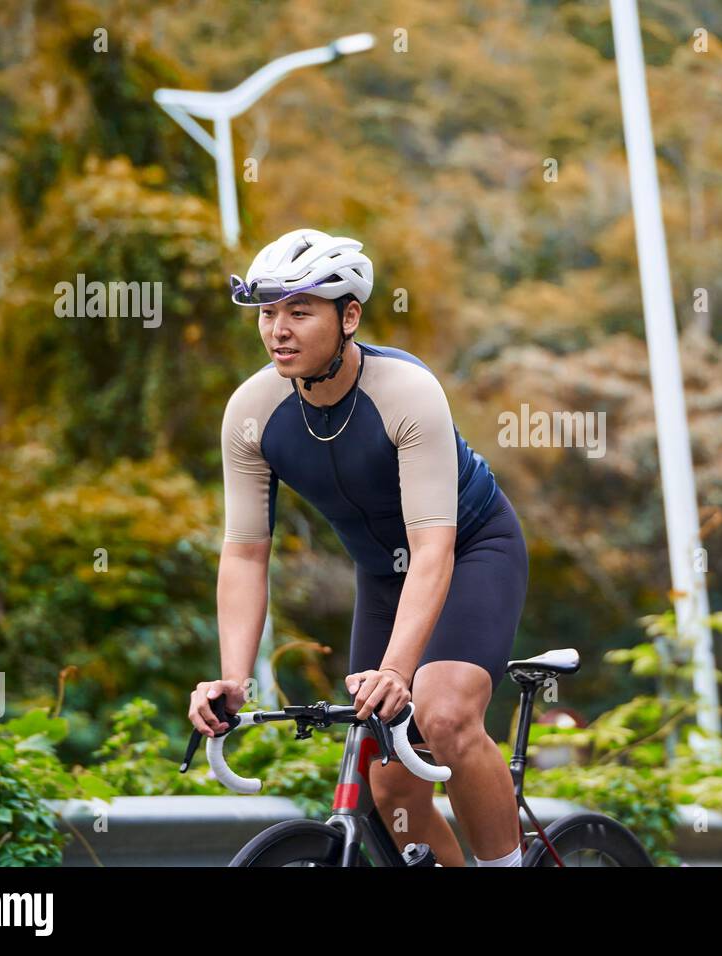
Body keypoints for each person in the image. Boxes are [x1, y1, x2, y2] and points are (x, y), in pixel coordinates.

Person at [187, 228, 529, 867]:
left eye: (299, 310)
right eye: (268, 312)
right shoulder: (252, 412)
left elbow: (434, 548)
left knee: (444, 713)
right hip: (383, 575)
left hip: (472, 547)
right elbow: (243, 554)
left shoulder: (405, 393)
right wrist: (232, 678)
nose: (277, 330)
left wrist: (399, 672)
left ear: (349, 317)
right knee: (390, 780)